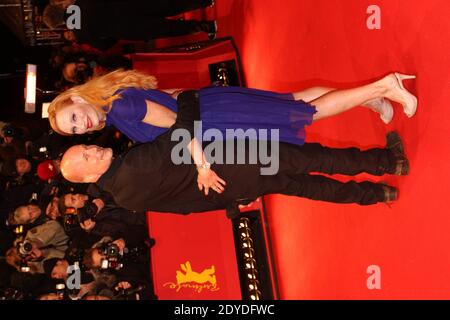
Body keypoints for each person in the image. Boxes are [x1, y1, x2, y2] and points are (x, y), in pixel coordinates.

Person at [48, 70, 417, 194]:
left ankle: (384, 86)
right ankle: (366, 98)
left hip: (215, 121)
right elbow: (172, 97)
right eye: (75, 129)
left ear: (77, 98)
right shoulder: (111, 102)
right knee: (294, 101)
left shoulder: (121, 107)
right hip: (215, 111)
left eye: (75, 117)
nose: (84, 125)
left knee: (304, 113)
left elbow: (179, 125)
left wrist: (202, 166)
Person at [58, 101, 409, 213]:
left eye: (86, 146)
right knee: (314, 160)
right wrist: (188, 99)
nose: (93, 148)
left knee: (307, 187)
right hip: (242, 158)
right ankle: (386, 163)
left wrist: (233, 200)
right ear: (89, 178)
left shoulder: (125, 197)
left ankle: (378, 195)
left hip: (238, 185)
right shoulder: (131, 169)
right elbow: (181, 131)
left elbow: (184, 209)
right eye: (87, 157)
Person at [43, 0, 217, 51]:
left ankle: (206, 27)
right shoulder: (80, 2)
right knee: (168, 5)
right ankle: (204, 1)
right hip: (129, 5)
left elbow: (104, 46)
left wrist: (113, 33)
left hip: (129, 27)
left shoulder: (80, 34)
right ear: (60, 7)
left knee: (166, 28)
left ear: (59, 24)